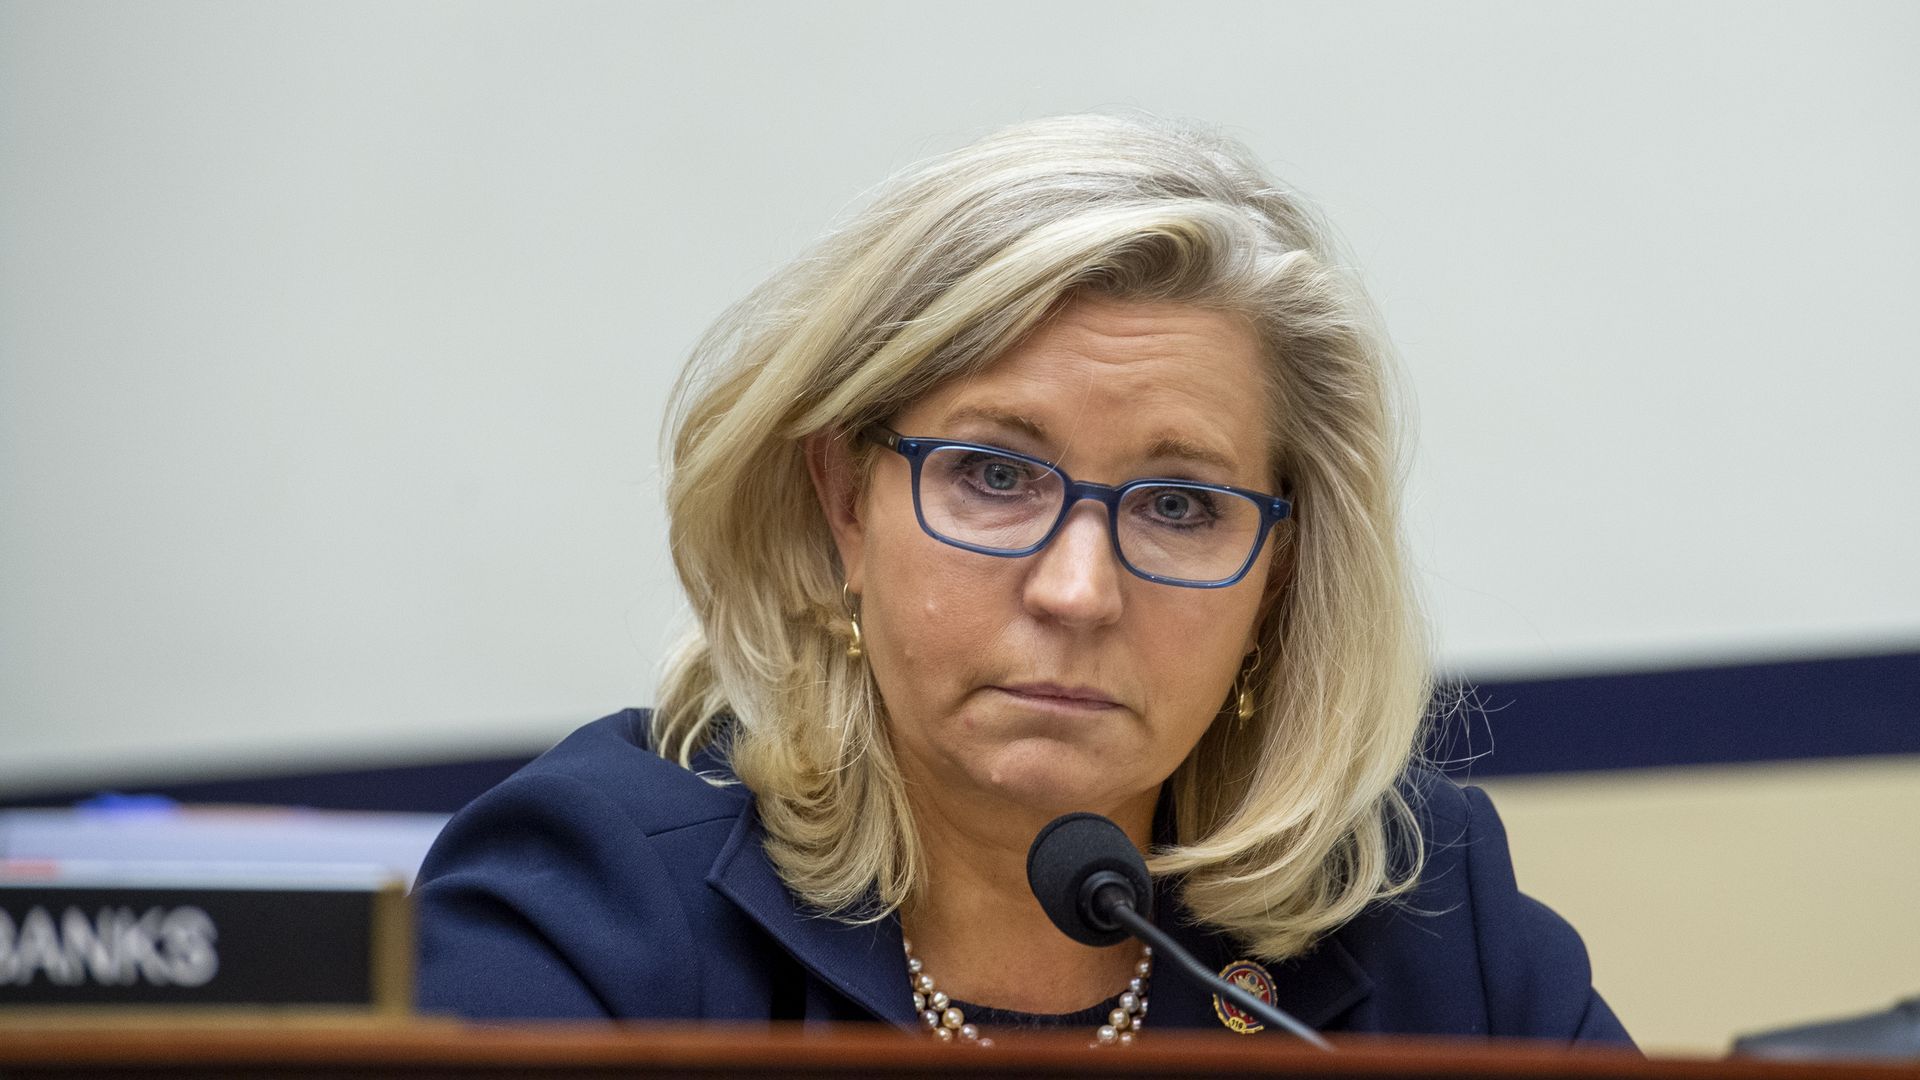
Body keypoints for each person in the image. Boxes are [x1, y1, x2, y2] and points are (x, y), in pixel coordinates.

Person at [412, 113, 1634, 1045]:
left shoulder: (1420, 903)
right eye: (996, 477)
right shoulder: (595, 897)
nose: (1079, 590)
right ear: (846, 502)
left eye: (1179, 506)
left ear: (1279, 572)